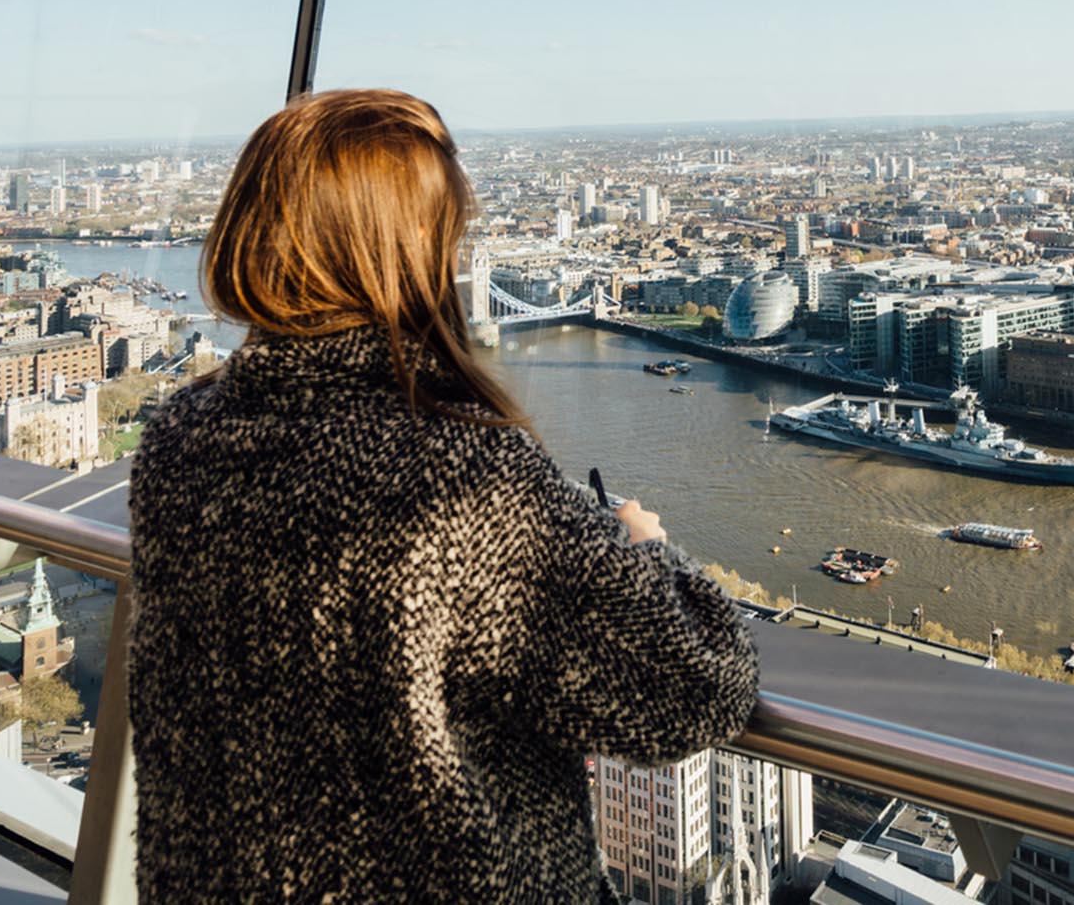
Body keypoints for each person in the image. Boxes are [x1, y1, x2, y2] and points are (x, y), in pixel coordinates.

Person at [129, 89, 760, 904]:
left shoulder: (180, 438)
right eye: (448, 243)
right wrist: (642, 547)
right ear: (411, 257)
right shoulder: (464, 475)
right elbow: (697, 690)